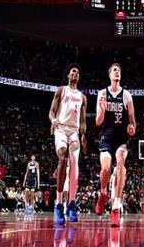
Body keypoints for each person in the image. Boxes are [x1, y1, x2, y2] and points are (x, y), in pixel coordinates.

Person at [95, 63, 136, 227]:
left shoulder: (126, 95)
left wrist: (132, 128)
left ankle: (116, 207)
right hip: (107, 138)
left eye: (119, 70)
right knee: (106, 168)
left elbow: (133, 121)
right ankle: (103, 193)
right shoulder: (102, 93)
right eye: (114, 70)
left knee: (120, 165)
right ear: (109, 74)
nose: (117, 71)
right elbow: (98, 122)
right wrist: (102, 110)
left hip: (121, 140)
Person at [49, 64, 88, 225]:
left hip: (74, 132)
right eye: (73, 72)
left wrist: (84, 135)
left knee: (74, 165)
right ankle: (59, 204)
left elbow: (83, 121)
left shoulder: (82, 97)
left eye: (77, 72)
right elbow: (52, 111)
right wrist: (53, 120)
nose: (75, 74)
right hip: (60, 128)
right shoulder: (61, 90)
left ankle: (72, 203)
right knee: (63, 158)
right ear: (68, 76)